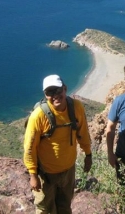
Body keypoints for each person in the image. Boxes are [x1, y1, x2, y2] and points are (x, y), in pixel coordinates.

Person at [23, 74, 92, 214]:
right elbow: (29, 148)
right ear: (45, 94)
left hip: (68, 170)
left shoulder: (76, 107)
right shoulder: (38, 116)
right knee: (45, 209)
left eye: (58, 90)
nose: (55, 95)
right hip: (46, 173)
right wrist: (33, 175)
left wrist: (88, 154)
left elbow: (83, 133)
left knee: (65, 206)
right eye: (50, 92)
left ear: (65, 89)